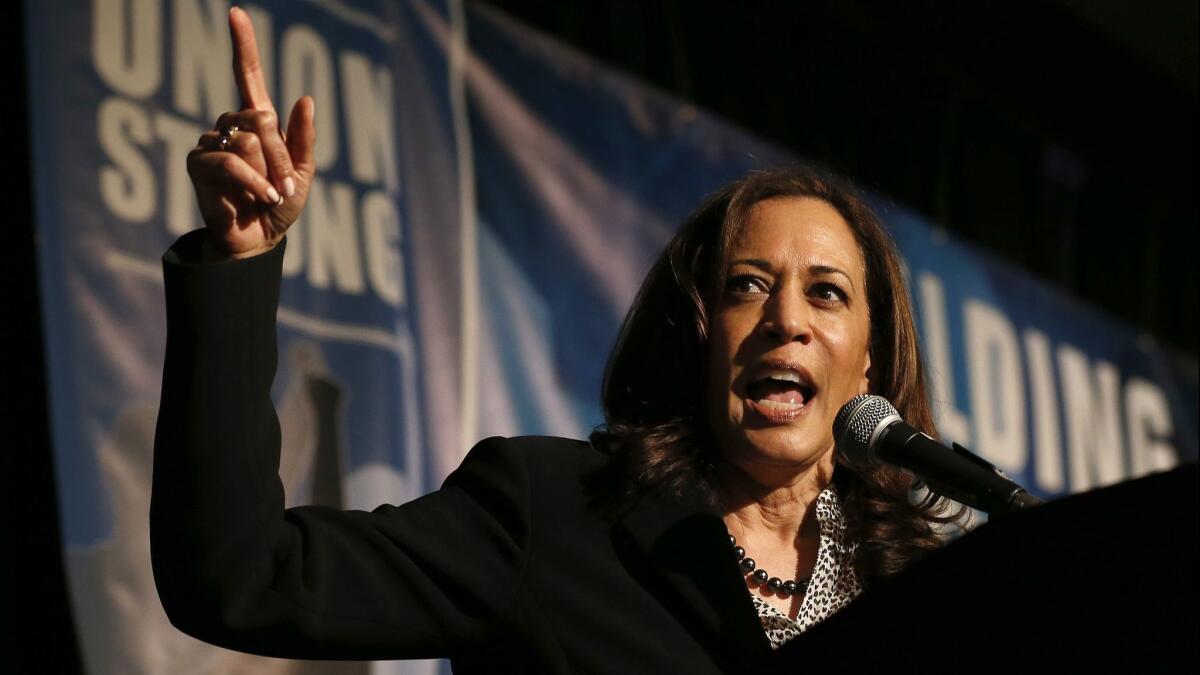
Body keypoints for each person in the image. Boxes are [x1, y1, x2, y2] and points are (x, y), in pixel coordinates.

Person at [151, 7, 957, 673]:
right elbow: (242, 575)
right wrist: (239, 263)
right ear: (702, 333)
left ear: (870, 361)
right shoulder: (557, 515)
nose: (787, 319)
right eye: (747, 285)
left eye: (827, 293)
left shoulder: (929, 599)